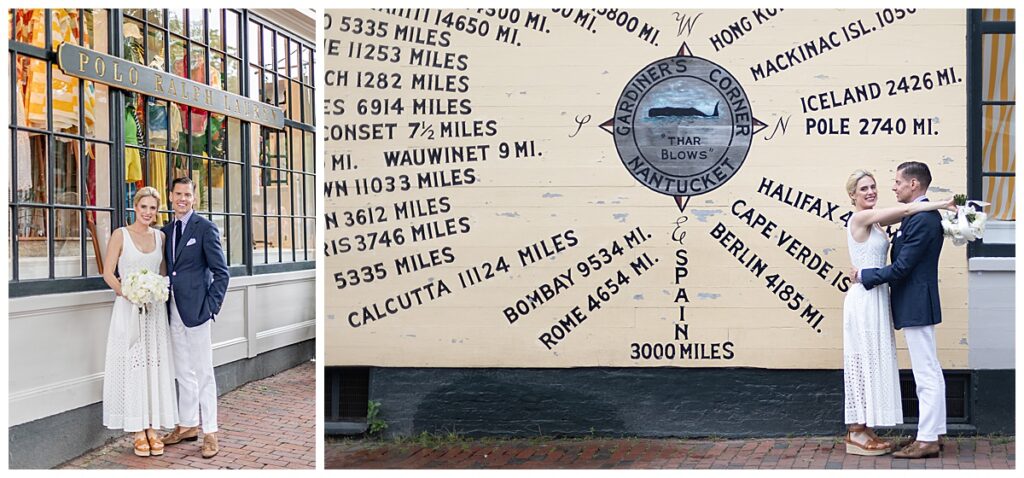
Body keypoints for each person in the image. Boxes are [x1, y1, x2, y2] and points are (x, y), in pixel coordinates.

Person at [843, 168, 953, 456]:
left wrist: (866, 274)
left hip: (887, 296)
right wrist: (942, 204)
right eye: (863, 188)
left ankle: (928, 436)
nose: (875, 191)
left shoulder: (911, 219)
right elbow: (907, 209)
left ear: (913, 184)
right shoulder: (862, 217)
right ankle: (858, 430)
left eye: (875, 186)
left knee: (918, 368)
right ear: (852, 195)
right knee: (863, 359)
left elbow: (907, 215)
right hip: (866, 299)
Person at [101, 186, 178, 457]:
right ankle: (137, 429)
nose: (148, 212)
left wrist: (153, 292)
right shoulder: (120, 235)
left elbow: (163, 275)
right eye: (144, 207)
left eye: (153, 208)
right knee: (133, 367)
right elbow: (108, 273)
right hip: (128, 311)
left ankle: (152, 428)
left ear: (158, 211)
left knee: (152, 367)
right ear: (136, 207)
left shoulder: (160, 237)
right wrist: (129, 293)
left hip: (154, 314)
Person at [159, 177, 230, 459]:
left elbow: (221, 272)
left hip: (198, 311)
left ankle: (210, 431)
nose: (183, 199)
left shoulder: (205, 228)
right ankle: (187, 425)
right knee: (182, 370)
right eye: (178, 194)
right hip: (173, 309)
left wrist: (210, 307)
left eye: (187, 194)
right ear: (170, 196)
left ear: (194, 198)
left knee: (203, 371)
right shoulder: (166, 231)